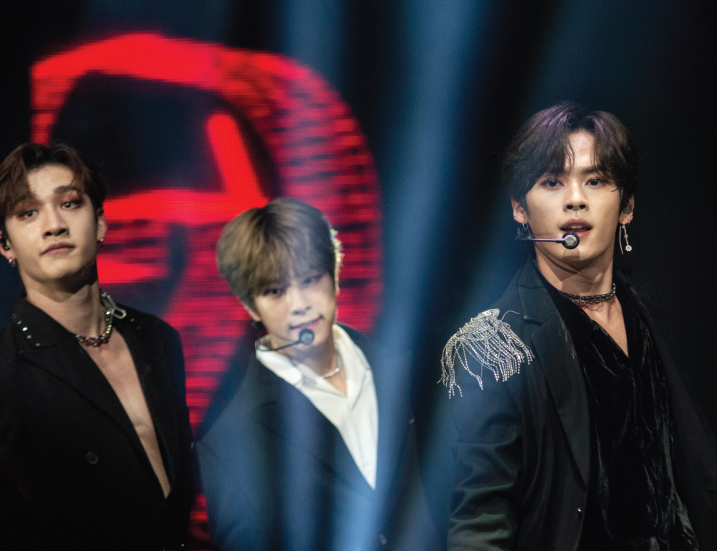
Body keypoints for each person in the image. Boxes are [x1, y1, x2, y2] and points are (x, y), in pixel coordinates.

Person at [441, 102, 717, 550]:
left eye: (595, 180)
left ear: (627, 207)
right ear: (520, 209)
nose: (575, 198)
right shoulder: (491, 346)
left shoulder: (646, 304)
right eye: (552, 181)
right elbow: (481, 520)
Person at [196, 197, 439, 551]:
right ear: (250, 305)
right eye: (275, 291)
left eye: (310, 279)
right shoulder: (230, 439)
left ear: (334, 273)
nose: (299, 304)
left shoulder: (410, 369)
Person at [0, 142, 195, 550]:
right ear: (5, 244)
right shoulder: (8, 370)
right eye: (28, 212)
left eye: (69, 203)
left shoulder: (158, 340)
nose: (54, 225)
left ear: (100, 222)